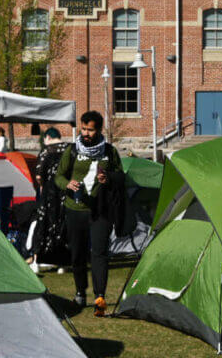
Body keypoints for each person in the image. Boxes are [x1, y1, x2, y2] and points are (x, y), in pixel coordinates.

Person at [55, 111, 126, 316]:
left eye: (90, 129)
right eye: (84, 129)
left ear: (99, 129)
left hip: (100, 211)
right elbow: (58, 176)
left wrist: (108, 179)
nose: (86, 133)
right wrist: (67, 184)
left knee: (100, 253)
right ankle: (79, 292)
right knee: (77, 254)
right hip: (75, 209)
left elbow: (120, 177)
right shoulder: (72, 150)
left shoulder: (109, 152)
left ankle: (99, 297)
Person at [28, 127, 71, 272]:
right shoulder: (70, 149)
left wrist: (41, 186)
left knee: (43, 224)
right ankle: (62, 264)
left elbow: (39, 175)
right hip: (66, 192)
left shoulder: (46, 151)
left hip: (50, 193)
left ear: (47, 137)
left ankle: (37, 261)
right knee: (62, 225)